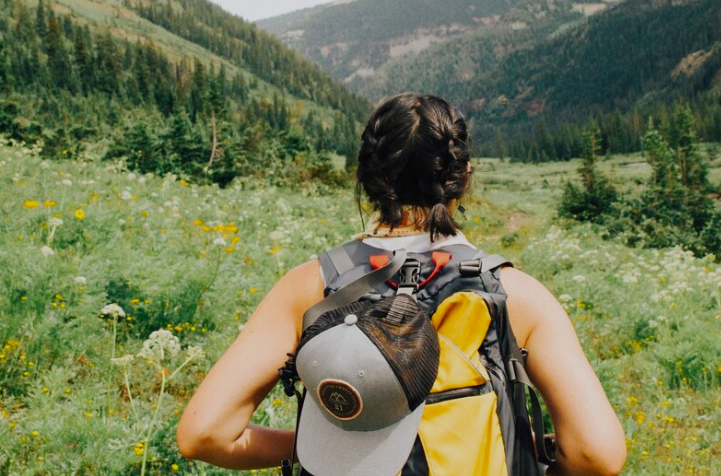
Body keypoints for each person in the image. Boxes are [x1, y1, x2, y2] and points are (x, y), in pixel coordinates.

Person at [177, 93, 625, 476]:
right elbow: (597, 453)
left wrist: (309, 448)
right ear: (463, 178)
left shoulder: (311, 286)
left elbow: (205, 434)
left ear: (367, 179)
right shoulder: (515, 293)